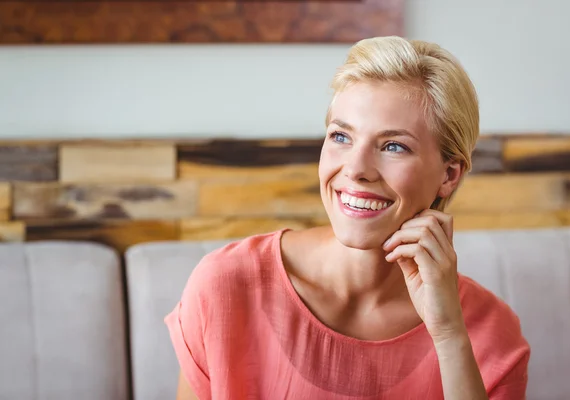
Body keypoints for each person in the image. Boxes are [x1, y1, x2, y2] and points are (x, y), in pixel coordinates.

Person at [165, 36, 531, 400]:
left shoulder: (491, 333)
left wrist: (449, 333)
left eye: (393, 146)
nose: (355, 169)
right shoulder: (227, 286)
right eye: (341, 136)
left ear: (449, 175)